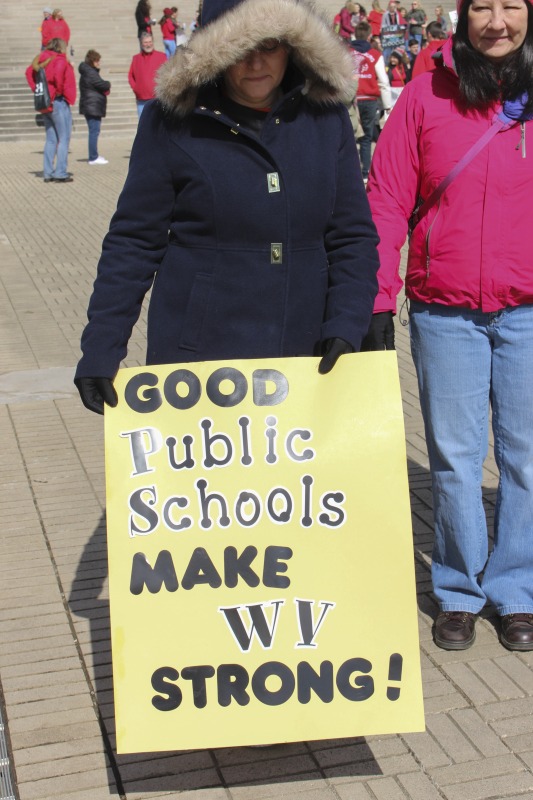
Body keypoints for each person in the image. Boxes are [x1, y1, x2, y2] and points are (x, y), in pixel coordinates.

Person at [74, 0, 380, 417]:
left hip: (307, 351)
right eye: (239, 47)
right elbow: (134, 240)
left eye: (269, 44)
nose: (255, 62)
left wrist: (347, 322)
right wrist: (102, 346)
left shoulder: (324, 118)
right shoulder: (174, 121)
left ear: (291, 46)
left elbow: (352, 235)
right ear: (216, 50)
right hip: (202, 359)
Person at [367, 0, 533, 652]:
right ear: (462, 16)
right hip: (445, 313)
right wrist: (377, 300)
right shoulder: (423, 94)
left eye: (510, 7)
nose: (496, 22)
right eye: (483, 7)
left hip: (526, 311)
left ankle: (516, 591)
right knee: (456, 461)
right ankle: (458, 589)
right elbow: (384, 198)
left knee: (524, 460)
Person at [25, 38, 76, 182]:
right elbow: (58, 78)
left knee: (51, 139)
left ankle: (48, 172)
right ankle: (60, 172)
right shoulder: (59, 60)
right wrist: (58, 92)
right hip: (57, 101)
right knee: (63, 138)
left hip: (45, 103)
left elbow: (28, 73)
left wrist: (37, 90)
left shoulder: (41, 58)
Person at [351, 20, 392, 181]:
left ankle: (351, 170)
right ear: (369, 36)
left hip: (351, 98)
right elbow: (383, 81)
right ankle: (365, 172)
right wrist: (387, 105)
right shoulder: (375, 54)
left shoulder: (346, 52)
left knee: (350, 136)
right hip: (369, 99)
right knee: (367, 136)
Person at [79, 49, 111, 165]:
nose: (98, 63)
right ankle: (93, 157)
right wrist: (108, 84)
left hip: (91, 105)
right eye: (97, 61)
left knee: (94, 131)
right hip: (92, 105)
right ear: (92, 61)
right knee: (94, 131)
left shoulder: (88, 71)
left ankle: (94, 155)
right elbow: (102, 84)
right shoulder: (90, 72)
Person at [128, 31, 166, 117]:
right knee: (143, 127)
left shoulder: (162, 56)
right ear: (141, 44)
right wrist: (136, 88)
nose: (148, 44)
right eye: (145, 42)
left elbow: (167, 74)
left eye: (150, 42)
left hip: (157, 99)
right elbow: (130, 75)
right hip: (141, 100)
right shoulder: (136, 58)